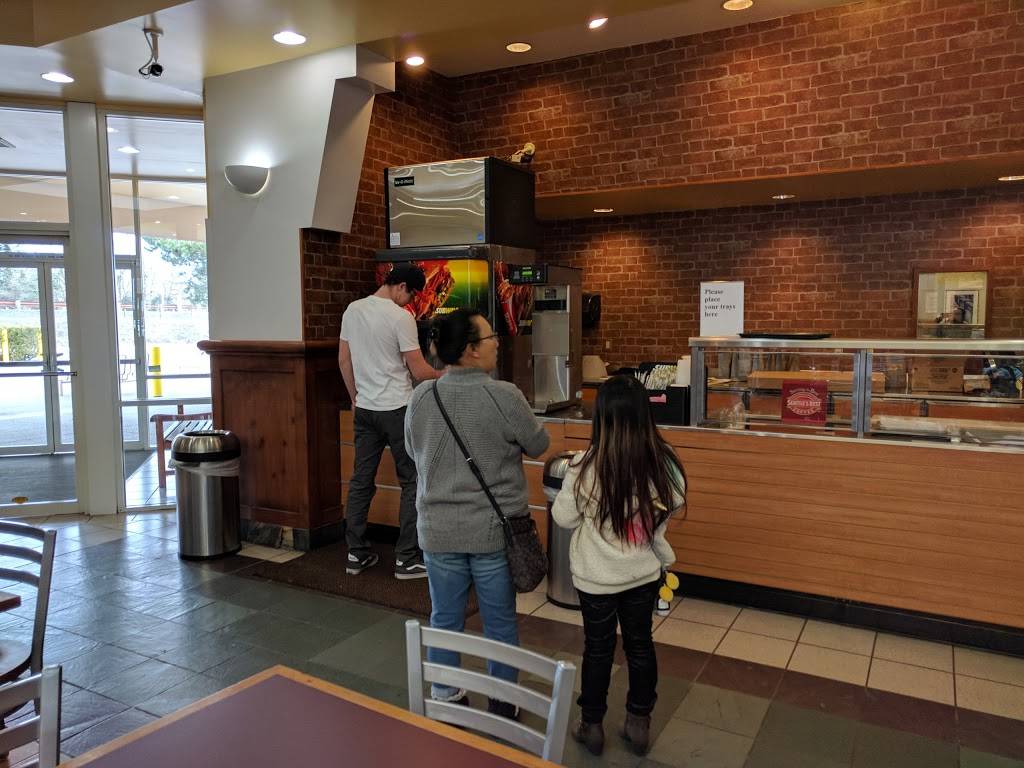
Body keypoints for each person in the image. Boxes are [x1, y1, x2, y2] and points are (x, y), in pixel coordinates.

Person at [404, 308, 549, 718]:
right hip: (491, 533)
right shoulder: (504, 396)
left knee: (444, 618)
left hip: (437, 531)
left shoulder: (422, 396)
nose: (497, 343)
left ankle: (445, 694)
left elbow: (413, 451)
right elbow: (538, 445)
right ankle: (503, 701)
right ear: (470, 350)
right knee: (499, 621)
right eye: (490, 338)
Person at [552, 374, 686, 757]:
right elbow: (674, 500)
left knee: (598, 649)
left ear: (601, 419)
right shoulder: (662, 462)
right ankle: (638, 722)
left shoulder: (584, 466)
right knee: (640, 645)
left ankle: (591, 724)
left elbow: (563, 517)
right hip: (642, 574)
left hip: (595, 578)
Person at [339, 264, 442, 580]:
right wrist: (450, 373)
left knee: (361, 480)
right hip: (398, 409)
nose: (410, 301)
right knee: (411, 480)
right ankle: (406, 559)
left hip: (366, 410)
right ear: (401, 287)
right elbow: (419, 370)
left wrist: (355, 398)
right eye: (412, 295)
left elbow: (344, 359)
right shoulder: (401, 317)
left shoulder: (353, 310)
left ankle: (356, 554)